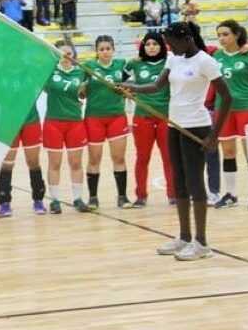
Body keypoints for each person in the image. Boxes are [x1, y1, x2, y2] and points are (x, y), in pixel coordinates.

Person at [121, 21, 232, 261]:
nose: (169, 47)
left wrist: (214, 135)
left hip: (197, 126)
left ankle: (201, 243)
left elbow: (227, 97)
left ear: (187, 39)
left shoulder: (205, 61)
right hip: (175, 125)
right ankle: (184, 237)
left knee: (194, 182)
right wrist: (130, 87)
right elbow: (156, 86)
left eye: (171, 43)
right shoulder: (174, 59)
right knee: (179, 181)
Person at [212, 20, 248, 210]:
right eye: (219, 35)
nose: (222, 38)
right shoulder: (216, 56)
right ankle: (231, 194)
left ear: (236, 34)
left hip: (246, 108)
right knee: (228, 152)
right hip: (223, 110)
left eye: (225, 34)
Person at [81, 36, 131, 209]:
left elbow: (130, 87)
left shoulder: (120, 65)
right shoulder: (88, 67)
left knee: (119, 157)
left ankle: (122, 197)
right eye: (101, 49)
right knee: (94, 158)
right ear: (97, 51)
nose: (105, 52)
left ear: (113, 49)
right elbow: (80, 92)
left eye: (108, 48)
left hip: (116, 116)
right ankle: (93, 198)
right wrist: (81, 92)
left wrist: (127, 90)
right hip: (94, 117)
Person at [126, 33, 175, 207]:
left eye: (155, 44)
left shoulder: (170, 62)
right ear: (143, 47)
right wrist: (127, 90)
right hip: (142, 117)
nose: (152, 47)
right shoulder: (134, 64)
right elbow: (119, 80)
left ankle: (173, 194)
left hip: (165, 117)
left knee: (169, 157)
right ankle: (141, 196)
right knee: (142, 157)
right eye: (148, 44)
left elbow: (206, 51)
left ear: (162, 45)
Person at [43, 41, 91, 214]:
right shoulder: (48, 72)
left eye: (69, 53)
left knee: (76, 163)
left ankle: (78, 199)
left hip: (75, 123)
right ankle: (54, 200)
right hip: (53, 122)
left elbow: (89, 90)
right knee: (54, 163)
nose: (66, 57)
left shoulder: (82, 72)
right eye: (62, 53)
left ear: (74, 55)